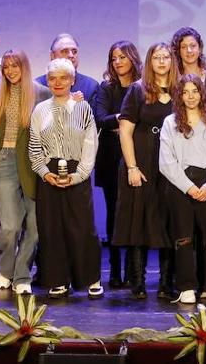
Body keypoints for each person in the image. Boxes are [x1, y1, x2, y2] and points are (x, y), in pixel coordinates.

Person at [29, 58, 103, 298]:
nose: (58, 82)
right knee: (52, 229)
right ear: (48, 81)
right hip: (49, 174)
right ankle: (58, 280)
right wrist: (44, 172)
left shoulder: (83, 108)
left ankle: (90, 278)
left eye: (63, 77)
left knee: (82, 228)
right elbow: (34, 147)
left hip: (77, 174)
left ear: (72, 80)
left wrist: (79, 175)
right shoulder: (40, 110)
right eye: (53, 78)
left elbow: (90, 144)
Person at [160, 74, 206, 306]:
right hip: (181, 184)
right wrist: (189, 187)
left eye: (195, 91)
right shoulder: (170, 123)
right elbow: (166, 162)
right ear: (179, 95)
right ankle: (187, 286)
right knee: (184, 238)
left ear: (202, 94)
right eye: (185, 92)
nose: (191, 96)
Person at [113, 41, 176, 299]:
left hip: (170, 165)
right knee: (137, 221)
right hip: (140, 162)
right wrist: (132, 167)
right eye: (156, 57)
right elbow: (125, 132)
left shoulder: (182, 90)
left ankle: (165, 283)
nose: (161, 62)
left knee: (168, 222)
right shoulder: (138, 90)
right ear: (149, 62)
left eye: (166, 57)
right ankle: (137, 283)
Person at [0, 49, 50, 295]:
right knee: (10, 226)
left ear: (24, 66)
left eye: (15, 66)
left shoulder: (41, 93)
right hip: (5, 160)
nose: (10, 71)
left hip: (33, 162)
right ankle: (6, 269)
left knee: (35, 225)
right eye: (6, 67)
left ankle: (22, 275)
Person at [92, 41, 142, 290]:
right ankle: (114, 271)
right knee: (114, 213)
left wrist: (122, 123)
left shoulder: (143, 87)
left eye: (122, 56)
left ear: (133, 58)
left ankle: (135, 271)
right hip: (111, 157)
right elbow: (100, 119)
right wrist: (126, 119)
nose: (118, 62)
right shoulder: (106, 88)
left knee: (135, 213)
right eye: (114, 58)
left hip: (137, 155)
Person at [35, 33, 100, 103]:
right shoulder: (37, 86)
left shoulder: (90, 86)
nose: (71, 55)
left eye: (74, 51)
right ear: (52, 56)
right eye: (65, 51)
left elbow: (91, 114)